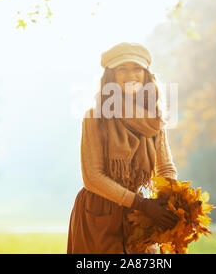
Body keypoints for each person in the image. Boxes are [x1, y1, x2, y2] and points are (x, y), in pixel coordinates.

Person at [67, 42, 179, 254]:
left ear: (146, 75)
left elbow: (165, 167)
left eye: (137, 68)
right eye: (122, 69)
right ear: (111, 76)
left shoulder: (154, 120)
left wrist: (170, 201)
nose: (131, 75)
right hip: (98, 214)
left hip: (138, 216)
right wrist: (142, 204)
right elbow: (92, 177)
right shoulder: (95, 117)